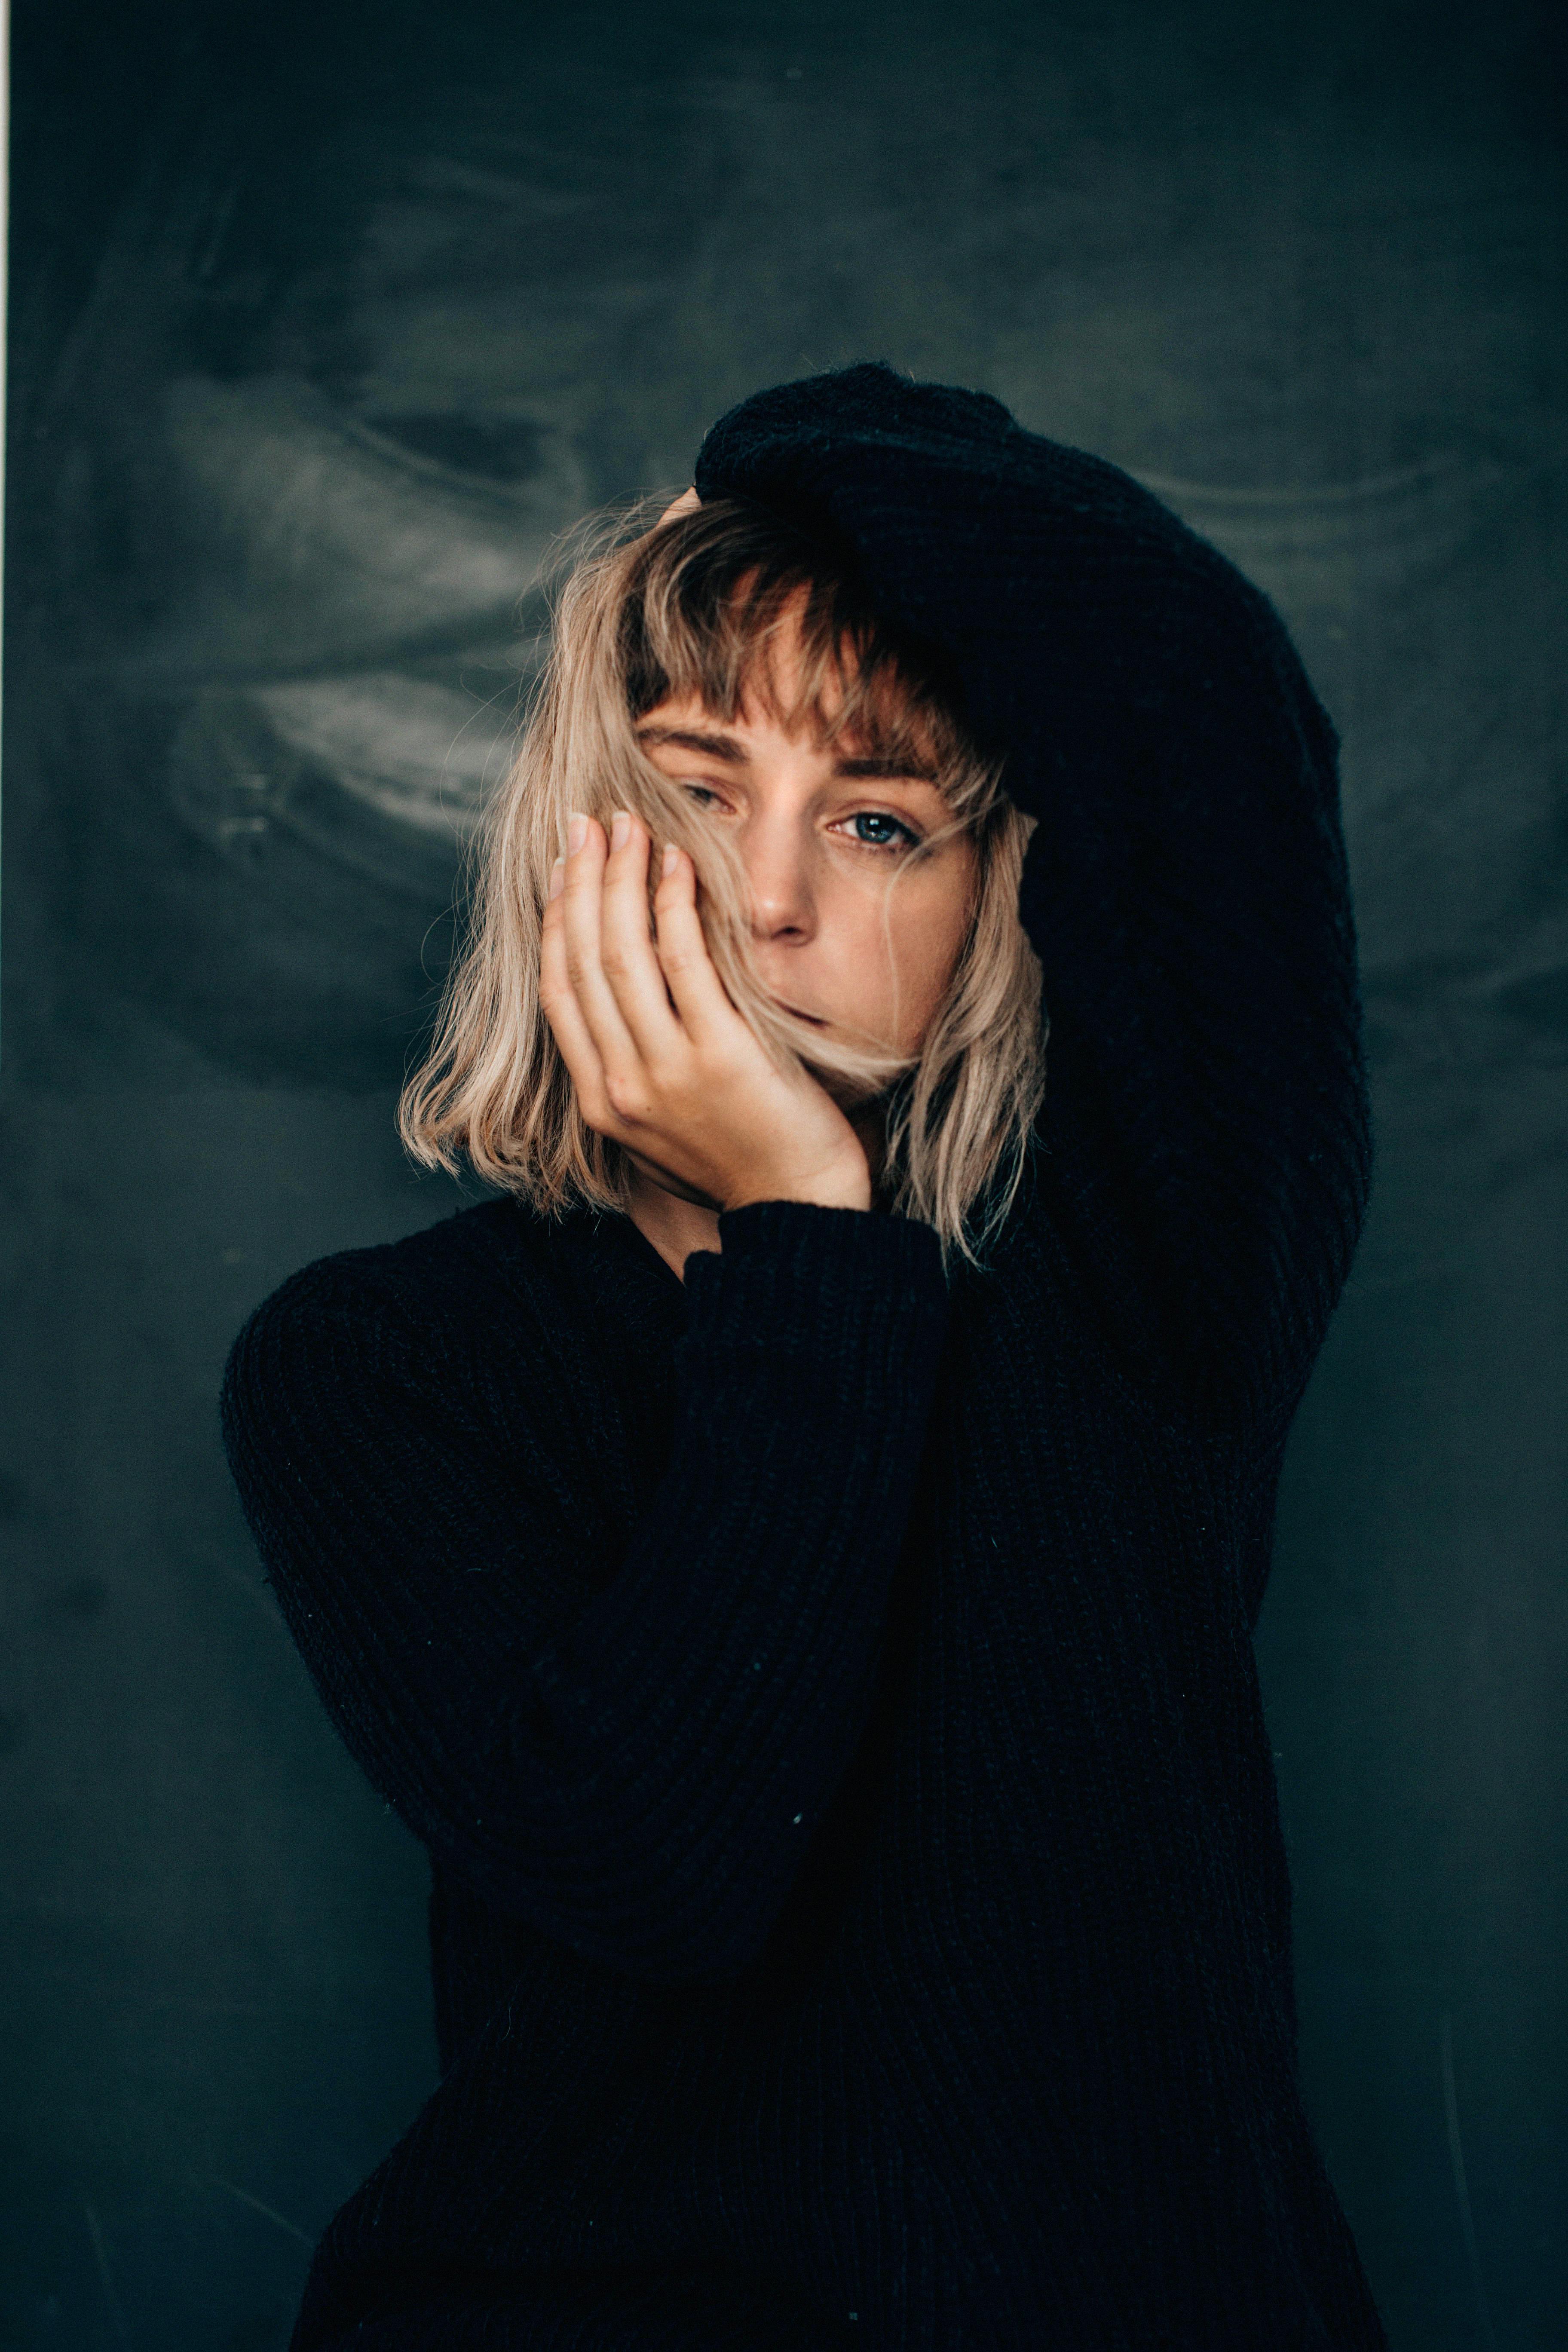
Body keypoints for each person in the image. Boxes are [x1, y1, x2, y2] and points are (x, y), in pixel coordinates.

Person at [221, 363, 1386, 2349]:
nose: (763, 902)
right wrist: (800, 1236)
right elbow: (667, 1868)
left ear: (996, 892)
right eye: (691, 792)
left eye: (877, 820)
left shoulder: (1142, 1283)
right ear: (584, 838)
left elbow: (1188, 678)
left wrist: (776, 469)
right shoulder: (382, 1369)